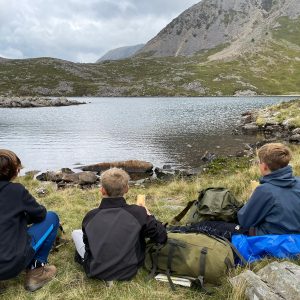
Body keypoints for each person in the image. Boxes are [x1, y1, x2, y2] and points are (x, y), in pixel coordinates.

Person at [72, 167, 167, 282]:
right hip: (129, 271)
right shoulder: (138, 213)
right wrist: (148, 214)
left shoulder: (90, 216)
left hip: (94, 271)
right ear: (126, 189)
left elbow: (88, 245)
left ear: (102, 190)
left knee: (75, 233)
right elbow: (161, 236)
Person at [0, 149, 60, 292]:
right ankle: (36, 271)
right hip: (9, 264)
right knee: (52, 217)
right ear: (15, 171)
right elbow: (40, 215)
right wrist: (23, 217)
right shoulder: (16, 190)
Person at [238, 143, 300, 235]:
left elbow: (244, 221)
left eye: (259, 162)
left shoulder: (264, 190)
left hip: (275, 241)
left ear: (264, 166)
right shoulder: (298, 181)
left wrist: (251, 198)